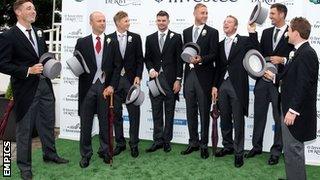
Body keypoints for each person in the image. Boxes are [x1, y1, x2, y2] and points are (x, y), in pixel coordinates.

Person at [0, 0, 69, 179]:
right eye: (29, 8)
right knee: (25, 128)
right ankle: (24, 167)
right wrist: (27, 70)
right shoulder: (9, 35)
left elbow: (42, 56)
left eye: (33, 8)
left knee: (47, 122)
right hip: (25, 88)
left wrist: (50, 65)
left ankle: (50, 154)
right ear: (18, 12)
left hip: (45, 85)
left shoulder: (38, 32)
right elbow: (2, 63)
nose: (33, 11)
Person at [264, 17, 318, 180]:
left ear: (296, 32)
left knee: (293, 150)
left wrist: (293, 111)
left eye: (288, 30)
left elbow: (303, 86)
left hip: (295, 112)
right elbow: (290, 78)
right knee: (290, 150)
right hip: (289, 108)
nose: (287, 33)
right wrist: (274, 78)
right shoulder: (298, 52)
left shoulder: (307, 53)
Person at [246, 3, 294, 165]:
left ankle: (275, 151)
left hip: (280, 83)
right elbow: (258, 52)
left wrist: (283, 59)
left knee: (278, 118)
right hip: (262, 81)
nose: (270, 16)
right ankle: (256, 146)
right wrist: (252, 33)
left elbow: (296, 58)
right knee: (258, 115)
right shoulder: (266, 32)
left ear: (282, 14)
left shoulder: (292, 33)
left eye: (273, 13)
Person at [74, 11, 121, 168]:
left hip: (105, 88)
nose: (102, 23)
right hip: (87, 88)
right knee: (86, 123)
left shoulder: (112, 42)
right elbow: (77, 65)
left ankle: (105, 151)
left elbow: (117, 66)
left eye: (104, 20)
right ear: (91, 23)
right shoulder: (82, 42)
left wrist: (112, 85)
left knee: (105, 122)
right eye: (99, 21)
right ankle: (86, 154)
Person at [212, 15, 258, 167]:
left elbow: (255, 50)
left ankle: (239, 153)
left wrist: (252, 32)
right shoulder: (219, 44)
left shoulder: (244, 40)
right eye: (224, 21)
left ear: (236, 26)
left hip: (237, 86)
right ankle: (228, 146)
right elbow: (218, 67)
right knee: (224, 118)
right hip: (222, 85)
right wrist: (214, 86)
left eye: (229, 22)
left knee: (238, 120)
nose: (225, 23)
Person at [180, 3, 219, 159]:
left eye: (206, 13)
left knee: (204, 112)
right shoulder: (186, 32)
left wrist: (201, 59)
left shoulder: (213, 32)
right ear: (195, 13)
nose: (205, 15)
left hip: (204, 79)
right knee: (190, 112)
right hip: (189, 76)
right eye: (202, 12)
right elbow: (184, 54)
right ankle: (193, 142)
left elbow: (215, 54)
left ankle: (204, 145)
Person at [144, 10, 183, 153]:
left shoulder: (177, 37)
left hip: (171, 81)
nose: (161, 23)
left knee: (169, 112)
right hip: (154, 81)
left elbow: (179, 61)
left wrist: (178, 80)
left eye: (164, 20)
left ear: (168, 21)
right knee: (156, 112)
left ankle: (167, 141)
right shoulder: (150, 38)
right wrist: (150, 69)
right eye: (159, 20)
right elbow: (147, 58)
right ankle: (157, 140)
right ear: (156, 21)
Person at [107, 11, 144, 158]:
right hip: (114, 83)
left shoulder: (135, 38)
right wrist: (108, 83)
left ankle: (134, 144)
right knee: (116, 114)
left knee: (134, 114)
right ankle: (120, 144)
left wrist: (138, 76)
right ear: (118, 23)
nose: (128, 23)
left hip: (130, 81)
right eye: (126, 21)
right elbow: (107, 63)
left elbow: (140, 60)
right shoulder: (108, 39)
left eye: (128, 20)